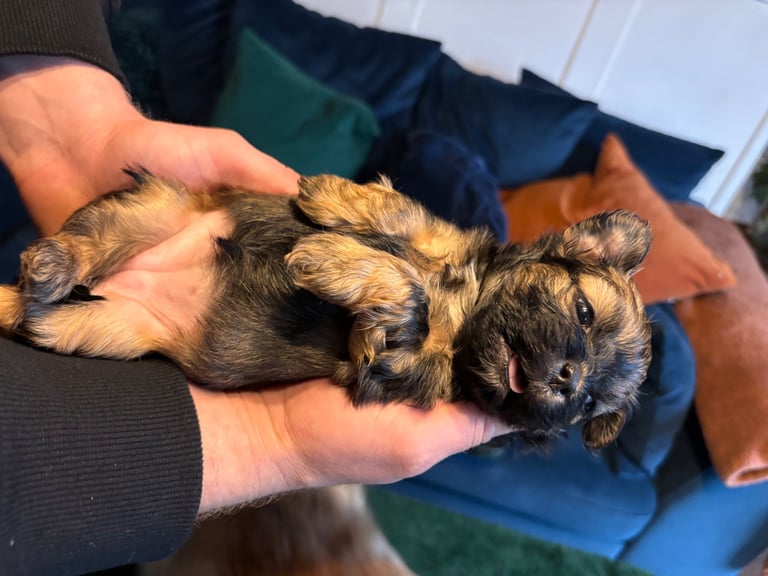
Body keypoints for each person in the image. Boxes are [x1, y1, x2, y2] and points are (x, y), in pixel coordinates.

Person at [0, 2, 510, 575]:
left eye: (588, 402)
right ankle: (73, 256)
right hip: (196, 225)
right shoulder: (454, 249)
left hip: (164, 328)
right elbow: (381, 219)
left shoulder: (439, 371)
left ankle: (37, 299)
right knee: (150, 210)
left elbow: (381, 363)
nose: (571, 379)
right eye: (585, 313)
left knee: (70, 325)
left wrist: (279, 442)